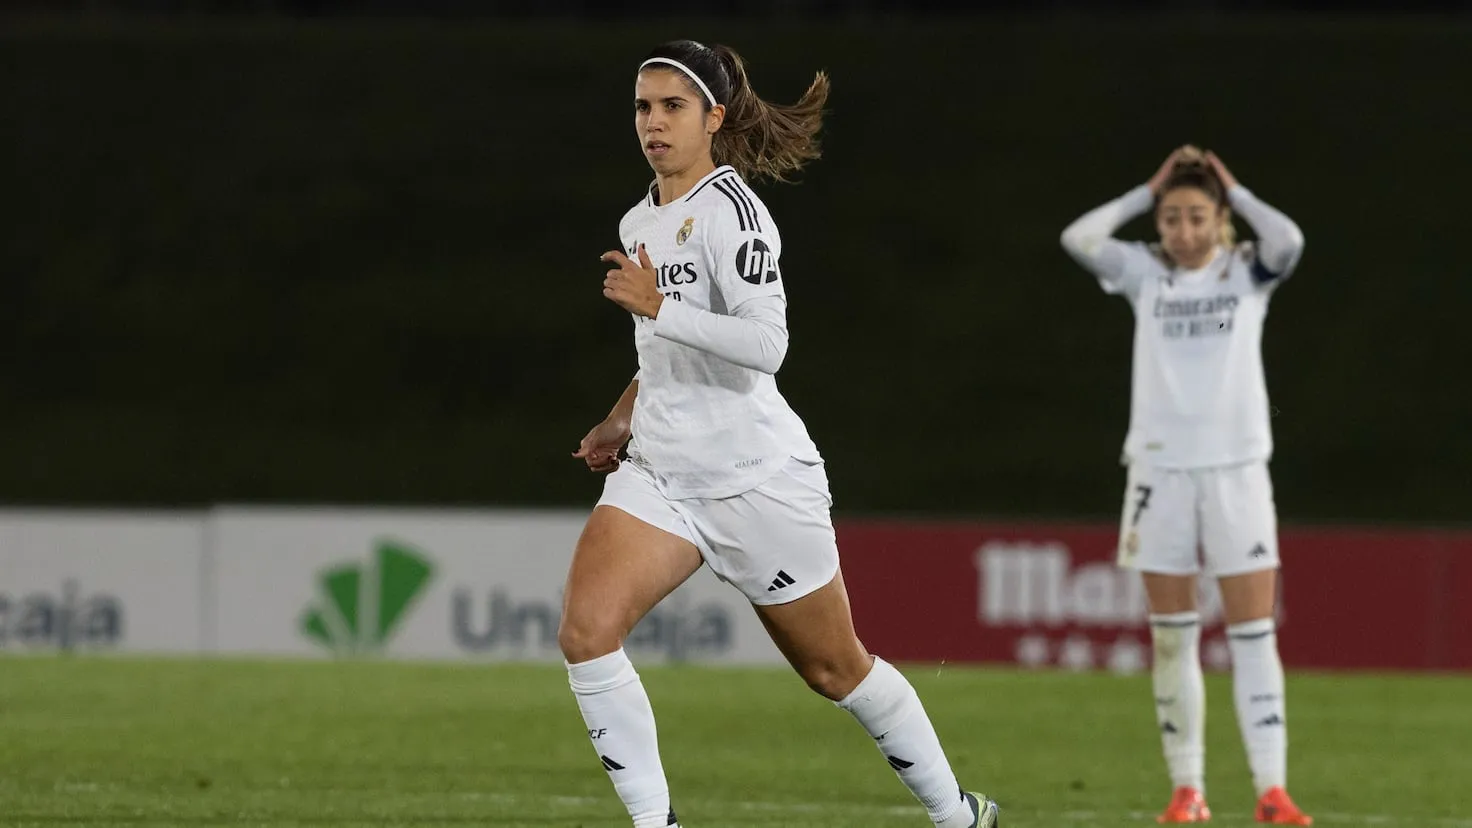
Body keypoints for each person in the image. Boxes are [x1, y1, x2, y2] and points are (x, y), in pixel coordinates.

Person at [561, 39, 1000, 828]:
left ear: (714, 119)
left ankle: (960, 814)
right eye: (642, 106)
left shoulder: (736, 214)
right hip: (663, 472)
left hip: (756, 478)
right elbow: (662, 351)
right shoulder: (639, 218)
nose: (653, 123)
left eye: (673, 107)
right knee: (587, 633)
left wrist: (658, 307)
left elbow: (768, 346)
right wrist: (623, 413)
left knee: (836, 671)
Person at [1060, 146, 1312, 825]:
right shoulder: (1146, 275)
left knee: (1254, 634)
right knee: (1173, 635)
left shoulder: (1245, 272)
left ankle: (1271, 788)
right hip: (1159, 472)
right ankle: (1188, 789)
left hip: (1237, 471)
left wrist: (1235, 184)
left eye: (1198, 216)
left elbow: (1289, 238)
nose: (1184, 230)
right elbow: (1077, 238)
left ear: (1221, 219)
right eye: (1172, 218)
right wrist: (1145, 192)